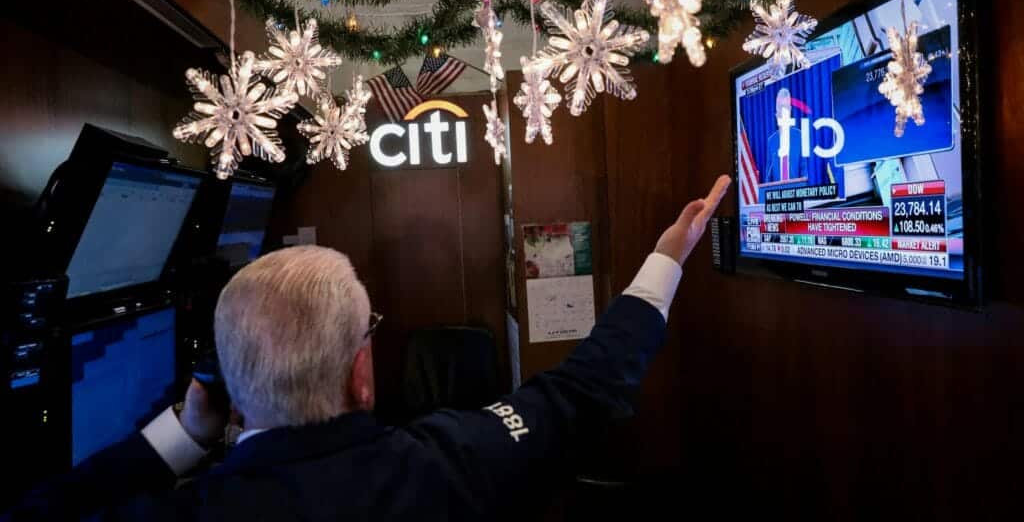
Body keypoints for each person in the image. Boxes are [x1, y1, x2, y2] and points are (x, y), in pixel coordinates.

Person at [5, 176, 732, 522]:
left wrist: (180, 437)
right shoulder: (452, 464)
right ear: (362, 371)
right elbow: (586, 390)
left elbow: (35, 514)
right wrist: (668, 255)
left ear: (225, 384)